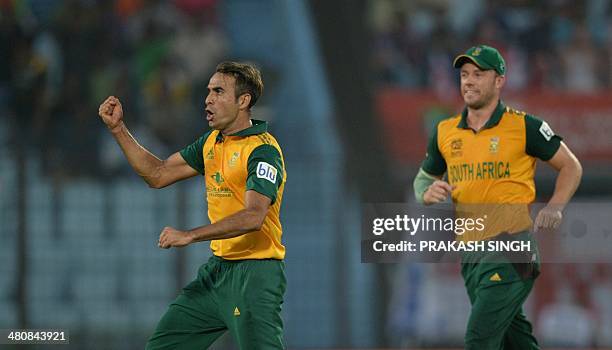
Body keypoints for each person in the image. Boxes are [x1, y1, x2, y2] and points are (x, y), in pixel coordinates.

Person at [98, 61, 287, 349]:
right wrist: (119, 130)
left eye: (219, 91)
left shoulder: (263, 150)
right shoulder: (211, 143)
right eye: (209, 90)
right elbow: (158, 174)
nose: (208, 98)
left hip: (255, 275)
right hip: (216, 275)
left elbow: (254, 216)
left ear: (243, 101)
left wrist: (191, 234)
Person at [412, 45, 582, 349]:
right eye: (464, 75)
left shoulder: (524, 125)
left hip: (514, 247)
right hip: (472, 255)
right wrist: (426, 192)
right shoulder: (445, 131)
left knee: (479, 339)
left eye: (479, 74)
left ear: (499, 81)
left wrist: (556, 207)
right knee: (515, 341)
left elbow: (571, 166)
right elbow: (424, 178)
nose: (469, 81)